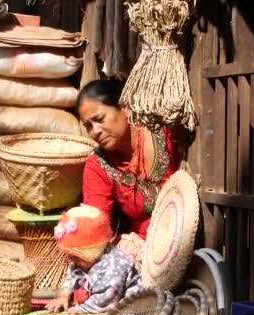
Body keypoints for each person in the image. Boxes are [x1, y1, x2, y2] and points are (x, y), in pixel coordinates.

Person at [76, 80, 180, 264]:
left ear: (124, 107)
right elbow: (95, 225)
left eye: (99, 119)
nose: (96, 131)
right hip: (144, 252)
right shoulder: (98, 164)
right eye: (89, 126)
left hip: (185, 236)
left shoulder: (164, 134)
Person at [45, 205, 141, 314]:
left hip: (128, 313)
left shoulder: (113, 265)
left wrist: (82, 309)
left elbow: (107, 296)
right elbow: (71, 277)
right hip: (100, 309)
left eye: (76, 256)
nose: (71, 260)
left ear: (91, 251)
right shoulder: (82, 262)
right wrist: (64, 295)